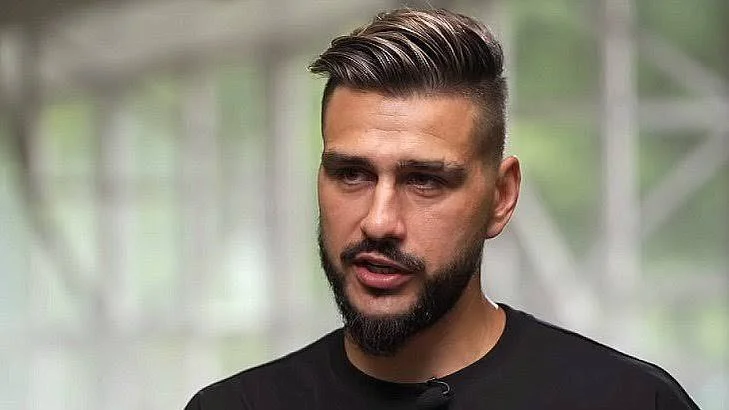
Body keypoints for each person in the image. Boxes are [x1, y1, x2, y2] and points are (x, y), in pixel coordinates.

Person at [185, 8, 699, 410]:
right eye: (352, 174)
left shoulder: (628, 402)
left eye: (425, 180)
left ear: (501, 197)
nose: (379, 222)